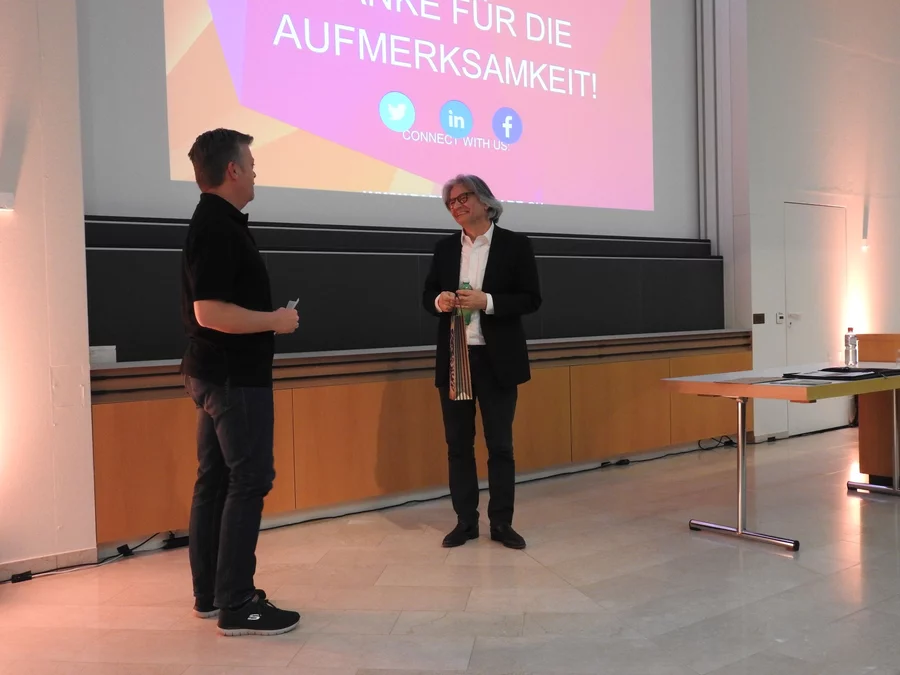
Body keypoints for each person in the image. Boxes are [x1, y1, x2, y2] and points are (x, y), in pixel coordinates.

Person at [180, 128, 301, 636]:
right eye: (250, 164)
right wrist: (276, 321)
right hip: (233, 378)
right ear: (232, 170)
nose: (255, 173)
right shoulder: (218, 227)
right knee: (248, 479)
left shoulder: (215, 221)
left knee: (216, 480)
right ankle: (237, 602)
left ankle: (212, 594)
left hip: (214, 373)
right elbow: (209, 311)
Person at [422, 174, 542, 549]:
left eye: (463, 198)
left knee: (500, 445)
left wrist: (486, 301)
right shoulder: (444, 248)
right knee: (458, 445)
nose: (456, 206)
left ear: (485, 202)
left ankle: (501, 523)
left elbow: (531, 298)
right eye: (451, 202)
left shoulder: (515, 245)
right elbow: (427, 295)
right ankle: (466, 522)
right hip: (456, 358)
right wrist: (440, 301)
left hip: (497, 360)